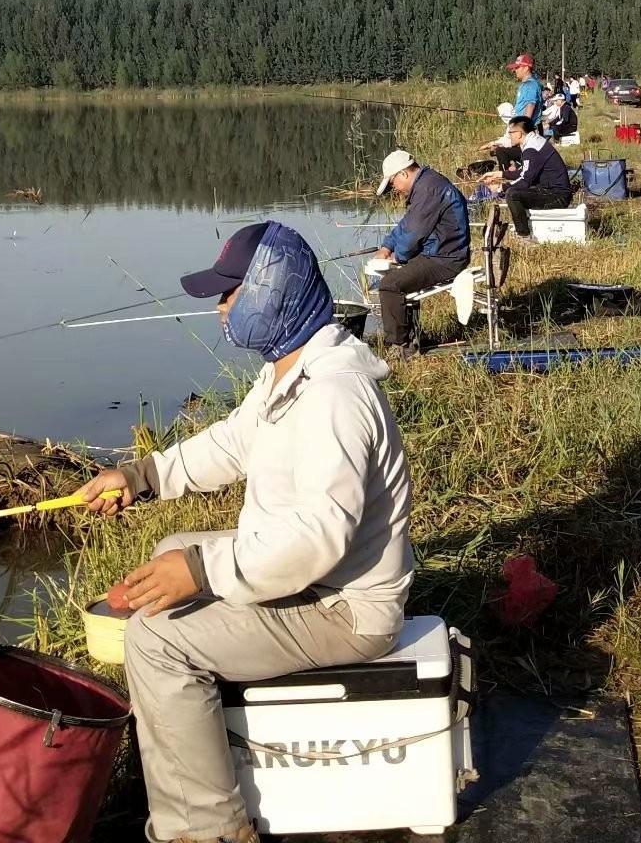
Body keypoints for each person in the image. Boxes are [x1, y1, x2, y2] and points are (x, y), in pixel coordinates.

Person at [77, 220, 413, 843]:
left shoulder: (333, 395)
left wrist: (205, 572)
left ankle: (205, 830)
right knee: (169, 553)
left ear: (272, 290)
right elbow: (231, 445)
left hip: (343, 609)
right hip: (317, 586)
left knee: (155, 640)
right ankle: (217, 739)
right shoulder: (293, 369)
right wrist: (142, 475)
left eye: (229, 295)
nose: (221, 310)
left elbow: (318, 536)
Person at [369, 149, 471, 355]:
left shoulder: (428, 190)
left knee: (389, 285)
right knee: (396, 277)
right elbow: (407, 225)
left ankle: (399, 345)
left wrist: (397, 257)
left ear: (403, 174)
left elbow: (413, 236)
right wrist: (387, 246)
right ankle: (411, 336)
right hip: (440, 252)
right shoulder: (426, 185)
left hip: (445, 258)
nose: (394, 189)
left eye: (392, 183)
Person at [497, 116, 572, 236]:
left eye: (510, 132)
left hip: (558, 196)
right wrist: (500, 174)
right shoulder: (534, 141)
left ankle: (524, 235)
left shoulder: (531, 149)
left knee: (513, 194)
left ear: (519, 134)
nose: (509, 135)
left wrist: (501, 188)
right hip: (552, 190)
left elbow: (525, 180)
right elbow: (525, 173)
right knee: (515, 190)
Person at [506, 52, 543, 125]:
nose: (514, 70)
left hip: (528, 128)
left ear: (526, 68)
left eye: (517, 67)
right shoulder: (526, 84)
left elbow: (530, 104)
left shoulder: (530, 85)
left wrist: (524, 126)